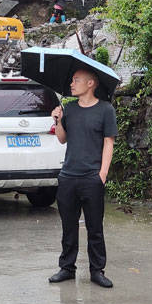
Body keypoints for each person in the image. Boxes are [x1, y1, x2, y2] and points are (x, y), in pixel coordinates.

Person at [48, 67, 116, 288]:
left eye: (76, 80)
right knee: (69, 227)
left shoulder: (106, 110)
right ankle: (67, 267)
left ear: (90, 83)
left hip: (92, 178)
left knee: (95, 227)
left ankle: (97, 270)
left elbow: (109, 142)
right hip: (68, 176)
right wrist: (57, 120)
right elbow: (62, 139)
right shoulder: (69, 109)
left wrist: (102, 174)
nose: (72, 84)